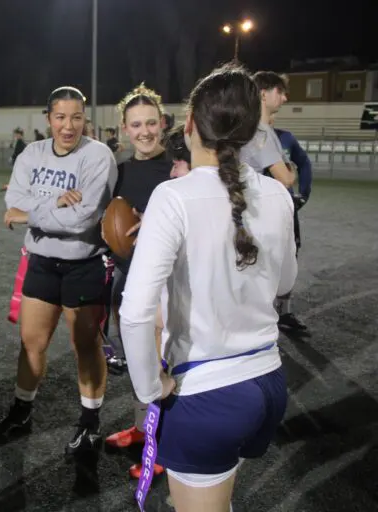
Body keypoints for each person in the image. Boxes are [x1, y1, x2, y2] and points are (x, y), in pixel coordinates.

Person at [120, 63, 294, 512]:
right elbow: (286, 282)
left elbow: (136, 311)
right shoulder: (277, 194)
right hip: (268, 382)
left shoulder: (173, 196)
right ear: (254, 129)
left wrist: (148, 387)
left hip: (209, 393)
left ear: (191, 123)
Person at [0, 86, 117, 459]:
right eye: (60, 117)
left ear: (85, 119)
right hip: (41, 262)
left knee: (85, 347)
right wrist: (55, 201)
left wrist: (30, 215)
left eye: (76, 117)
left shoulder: (98, 155)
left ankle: (90, 422)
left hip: (84, 263)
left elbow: (83, 220)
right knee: (31, 343)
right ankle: (22, 411)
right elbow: (13, 202)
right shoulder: (33, 153)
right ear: (49, 119)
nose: (68, 125)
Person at [102, 84, 172, 480]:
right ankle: (141, 426)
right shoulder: (121, 171)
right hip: (127, 276)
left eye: (151, 122)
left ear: (162, 123)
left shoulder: (179, 168)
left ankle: (165, 441)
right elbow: (114, 219)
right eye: (136, 125)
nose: (144, 131)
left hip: (164, 282)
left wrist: (157, 223)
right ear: (124, 129)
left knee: (162, 359)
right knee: (137, 357)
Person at [240, 72, 307, 336]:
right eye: (279, 91)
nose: (285, 97)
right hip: (262, 212)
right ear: (262, 94)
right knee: (273, 267)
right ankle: (265, 325)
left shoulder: (256, 129)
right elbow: (286, 177)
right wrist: (290, 170)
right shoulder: (260, 132)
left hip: (252, 209)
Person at [269, 113, 312, 337]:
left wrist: (303, 194)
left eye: (276, 114)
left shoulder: (285, 138)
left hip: (286, 213)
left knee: (289, 257)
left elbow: (304, 162)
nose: (272, 117)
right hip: (259, 213)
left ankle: (284, 312)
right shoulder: (246, 139)